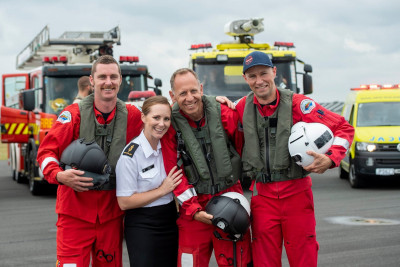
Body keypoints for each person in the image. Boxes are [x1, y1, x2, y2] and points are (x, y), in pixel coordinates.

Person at [234, 51, 354, 267]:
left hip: (296, 194)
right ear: (245, 79)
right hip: (262, 197)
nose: (259, 81)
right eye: (252, 76)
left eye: (263, 73)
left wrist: (331, 158)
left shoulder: (299, 104)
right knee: (264, 261)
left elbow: (343, 128)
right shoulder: (241, 107)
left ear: (274, 72)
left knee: (304, 258)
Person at [37, 55, 143, 267]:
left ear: (120, 79)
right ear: (91, 81)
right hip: (74, 213)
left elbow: (166, 115)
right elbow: (46, 153)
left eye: (113, 76)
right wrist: (59, 175)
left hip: (111, 216)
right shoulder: (72, 114)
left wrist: (214, 101)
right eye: (102, 76)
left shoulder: (132, 115)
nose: (108, 82)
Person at [167, 68, 252, 267]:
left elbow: (244, 147)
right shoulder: (169, 124)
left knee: (238, 262)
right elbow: (173, 170)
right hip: (193, 209)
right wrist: (194, 210)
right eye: (182, 93)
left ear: (201, 88)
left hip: (230, 200)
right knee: (189, 263)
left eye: (193, 91)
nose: (190, 98)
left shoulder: (225, 112)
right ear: (172, 96)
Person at [115, 96, 183, 267]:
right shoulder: (130, 155)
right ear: (143, 117)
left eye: (166, 119)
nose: (162, 124)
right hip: (142, 225)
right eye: (156, 117)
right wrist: (162, 190)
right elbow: (124, 202)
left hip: (169, 220)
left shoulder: (168, 147)